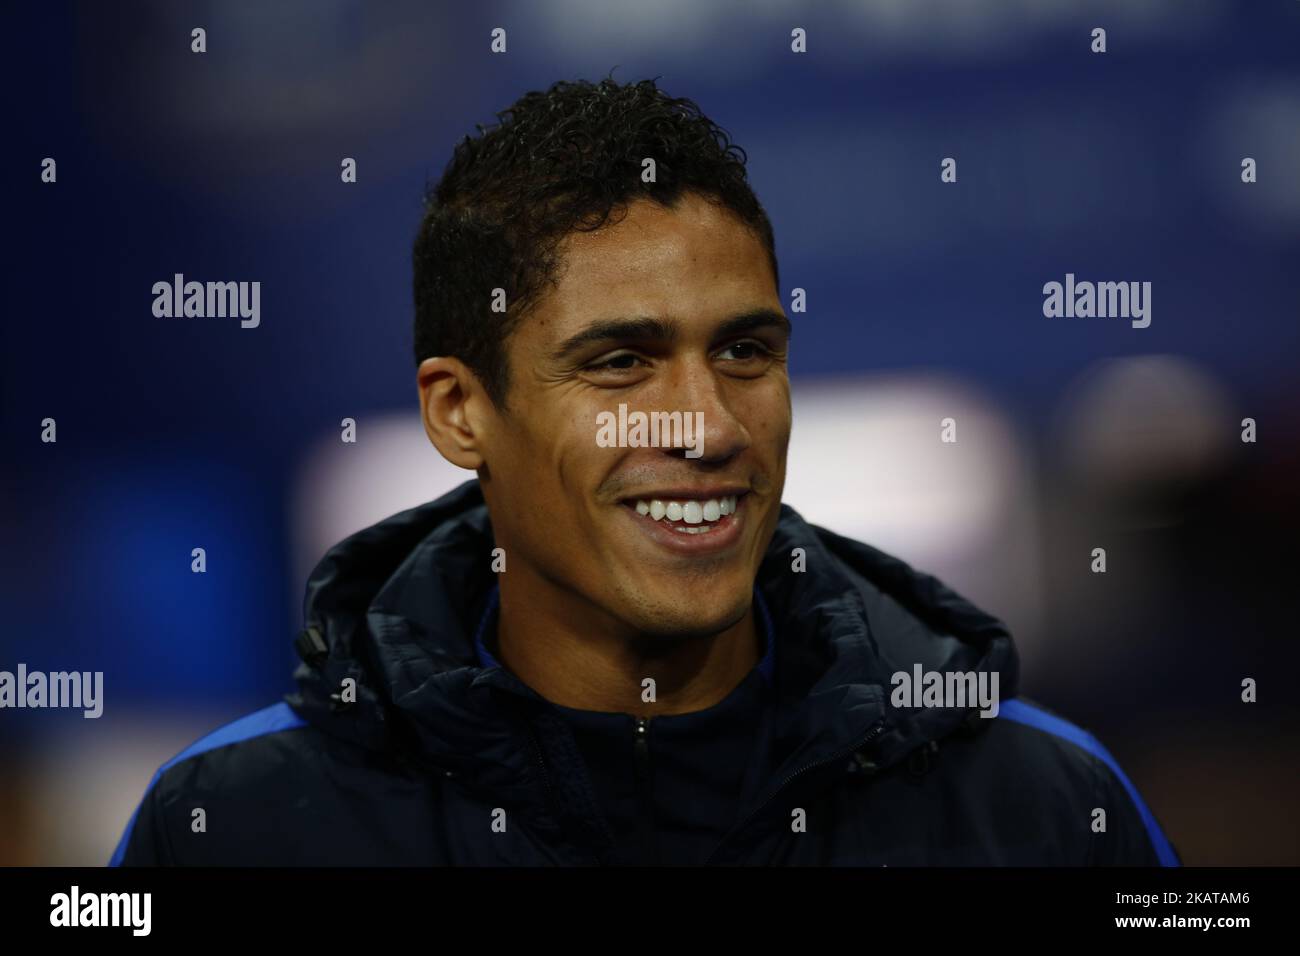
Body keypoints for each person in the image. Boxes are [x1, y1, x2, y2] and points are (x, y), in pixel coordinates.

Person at [111, 77, 1178, 866]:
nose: (708, 426)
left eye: (744, 352)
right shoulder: (231, 825)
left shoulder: (1039, 806)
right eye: (620, 362)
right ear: (460, 410)